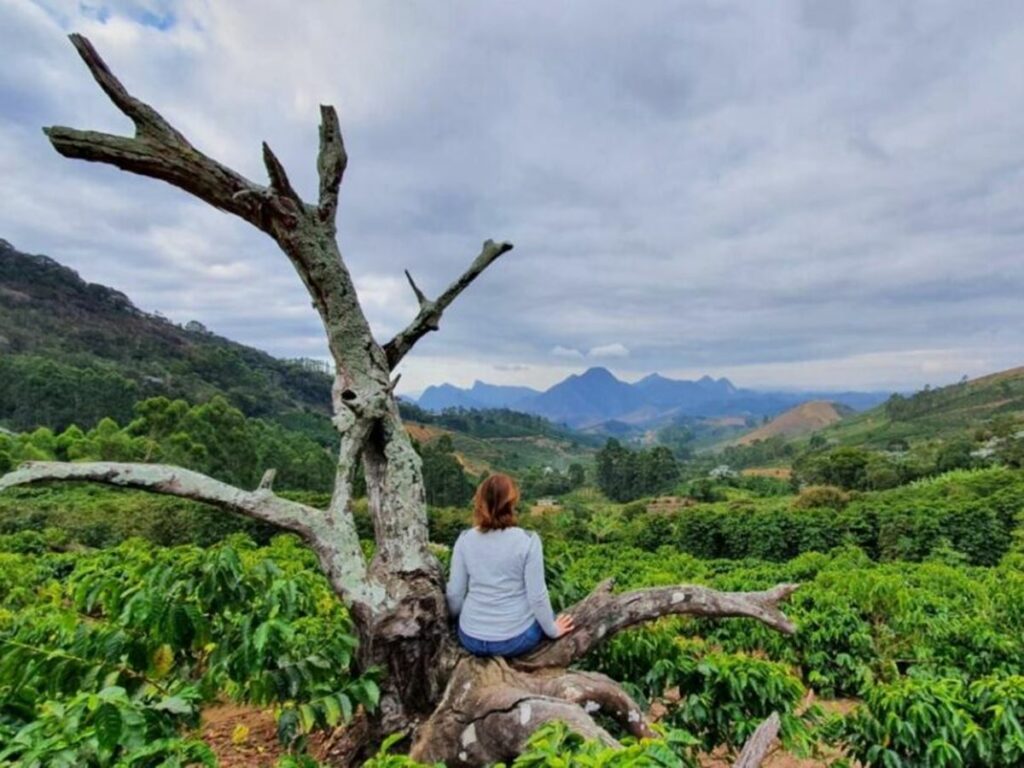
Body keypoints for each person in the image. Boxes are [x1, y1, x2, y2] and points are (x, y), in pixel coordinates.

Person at [445, 473, 574, 657]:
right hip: (514, 640)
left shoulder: (465, 539)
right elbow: (537, 597)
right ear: (512, 503)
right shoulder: (528, 540)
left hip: (471, 638)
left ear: (480, 502)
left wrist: (455, 621)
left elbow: (455, 594)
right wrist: (553, 630)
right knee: (544, 619)